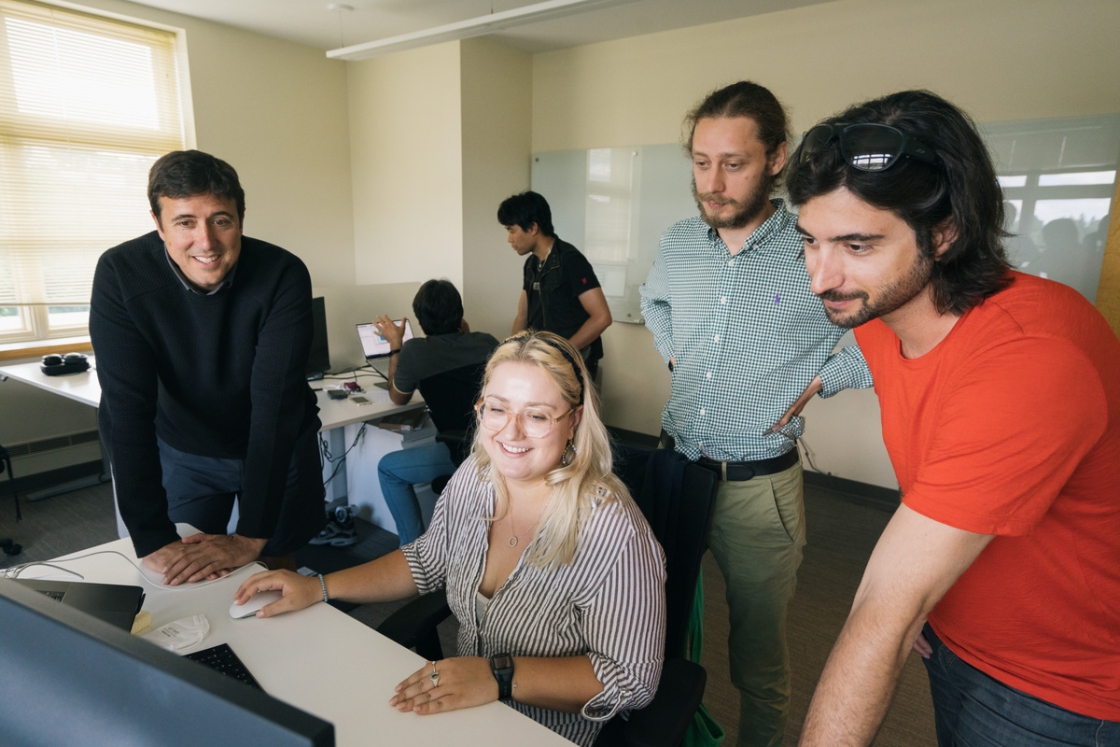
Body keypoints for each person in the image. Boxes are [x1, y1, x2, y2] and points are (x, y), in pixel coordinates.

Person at [786, 90, 1120, 746]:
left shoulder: (1030, 356)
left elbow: (885, 604)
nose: (820, 277)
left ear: (945, 232)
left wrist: (910, 607)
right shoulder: (882, 314)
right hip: (956, 636)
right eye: (810, 242)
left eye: (856, 244)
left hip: (1060, 688)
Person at [235, 331, 665, 747]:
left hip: (544, 732)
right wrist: (318, 587)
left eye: (536, 415)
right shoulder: (476, 477)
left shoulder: (612, 529)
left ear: (573, 421)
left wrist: (499, 676)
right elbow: (426, 560)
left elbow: (631, 679)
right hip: (461, 711)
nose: (510, 433)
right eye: (497, 409)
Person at [638, 81, 872, 747]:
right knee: (652, 633)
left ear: (777, 159)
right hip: (672, 471)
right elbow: (654, 302)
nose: (712, 183)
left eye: (733, 163)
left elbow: (883, 331)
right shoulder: (680, 240)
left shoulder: (815, 245)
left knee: (758, 659)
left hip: (757, 489)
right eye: (701, 161)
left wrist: (827, 376)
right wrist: (674, 351)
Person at [90, 150, 324, 586]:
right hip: (186, 449)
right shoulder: (121, 273)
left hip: (278, 441)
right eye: (184, 223)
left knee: (275, 559)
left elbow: (273, 406)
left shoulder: (282, 273)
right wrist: (150, 534)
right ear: (158, 224)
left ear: (241, 217)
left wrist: (252, 534)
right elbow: (126, 408)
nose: (206, 242)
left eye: (221, 220)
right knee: (188, 573)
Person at [372, 279, 498, 545]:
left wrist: (396, 345)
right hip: (497, 446)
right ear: (460, 314)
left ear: (420, 320)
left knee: (388, 469)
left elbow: (397, 398)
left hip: (465, 450)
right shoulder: (486, 342)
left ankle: (412, 555)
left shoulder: (415, 352)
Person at [498, 191, 612, 380]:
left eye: (511, 230)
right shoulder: (531, 264)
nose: (509, 239)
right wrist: (511, 356)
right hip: (543, 364)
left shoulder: (571, 261)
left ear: (533, 228)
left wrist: (562, 353)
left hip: (573, 365)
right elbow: (523, 315)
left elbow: (602, 317)